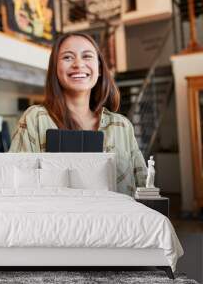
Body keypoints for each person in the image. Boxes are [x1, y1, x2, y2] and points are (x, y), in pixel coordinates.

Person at [9, 33, 147, 196]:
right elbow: (17, 188)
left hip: (119, 221)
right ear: (55, 69)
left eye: (87, 56)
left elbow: (144, 187)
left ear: (100, 68)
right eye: (68, 57)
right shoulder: (36, 119)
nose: (78, 64)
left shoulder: (122, 126)